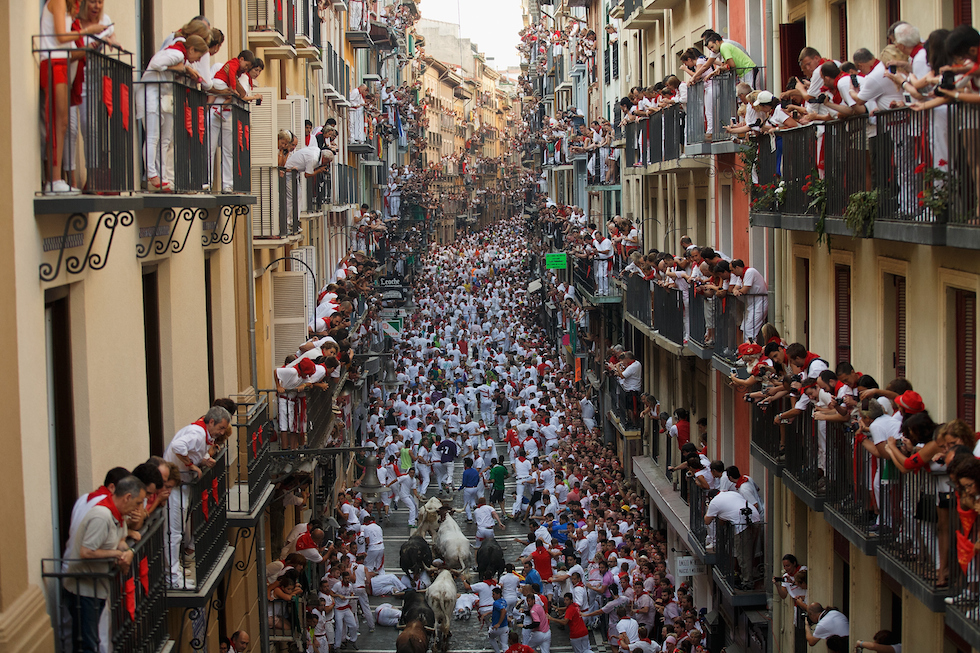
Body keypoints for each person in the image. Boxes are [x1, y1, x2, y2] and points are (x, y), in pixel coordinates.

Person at [63, 475, 146, 653]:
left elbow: (121, 541)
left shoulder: (118, 515)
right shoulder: (101, 516)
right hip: (84, 590)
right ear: (127, 498)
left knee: (91, 640)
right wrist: (117, 554)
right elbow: (86, 551)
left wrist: (128, 552)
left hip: (96, 587)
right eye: (138, 502)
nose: (139, 508)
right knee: (88, 644)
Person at [39, 0, 107, 194]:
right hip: (54, 63)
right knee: (58, 122)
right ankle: (54, 179)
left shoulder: (65, 5)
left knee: (62, 123)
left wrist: (88, 48)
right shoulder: (58, 1)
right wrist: (89, 30)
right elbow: (61, 36)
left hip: (60, 62)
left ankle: (56, 178)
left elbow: (63, 42)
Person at [163, 406, 231, 589]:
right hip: (176, 486)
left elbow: (190, 450)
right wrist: (191, 465)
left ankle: (174, 571)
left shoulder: (199, 433)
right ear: (211, 422)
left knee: (177, 531)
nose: (222, 433)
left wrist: (202, 460)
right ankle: (172, 578)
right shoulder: (197, 433)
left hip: (181, 486)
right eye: (221, 428)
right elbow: (178, 447)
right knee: (174, 532)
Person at [137, 34, 209, 192]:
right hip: (151, 94)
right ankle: (151, 173)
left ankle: (162, 176)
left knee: (163, 139)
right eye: (198, 56)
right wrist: (183, 68)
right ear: (191, 49)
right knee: (153, 136)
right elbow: (155, 63)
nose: (197, 60)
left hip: (161, 97)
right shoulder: (176, 53)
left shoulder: (181, 56)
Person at [488, 586, 509, 653]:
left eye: (493, 594)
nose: (492, 596)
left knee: (490, 637)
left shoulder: (496, 603)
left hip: (497, 627)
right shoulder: (504, 601)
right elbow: (499, 611)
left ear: (498, 594)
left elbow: (503, 611)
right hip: (505, 626)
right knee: (505, 645)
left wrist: (498, 623)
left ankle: (497, 651)